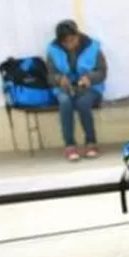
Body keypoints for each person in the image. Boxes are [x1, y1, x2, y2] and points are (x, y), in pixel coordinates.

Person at [46, 20, 107, 161]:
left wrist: (89, 78)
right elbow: (50, 75)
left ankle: (91, 142)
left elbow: (102, 72)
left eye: (72, 40)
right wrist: (59, 79)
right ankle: (70, 145)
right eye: (65, 43)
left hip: (90, 88)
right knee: (65, 102)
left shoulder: (93, 47)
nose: (69, 45)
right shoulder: (52, 50)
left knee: (83, 103)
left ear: (78, 35)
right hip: (65, 88)